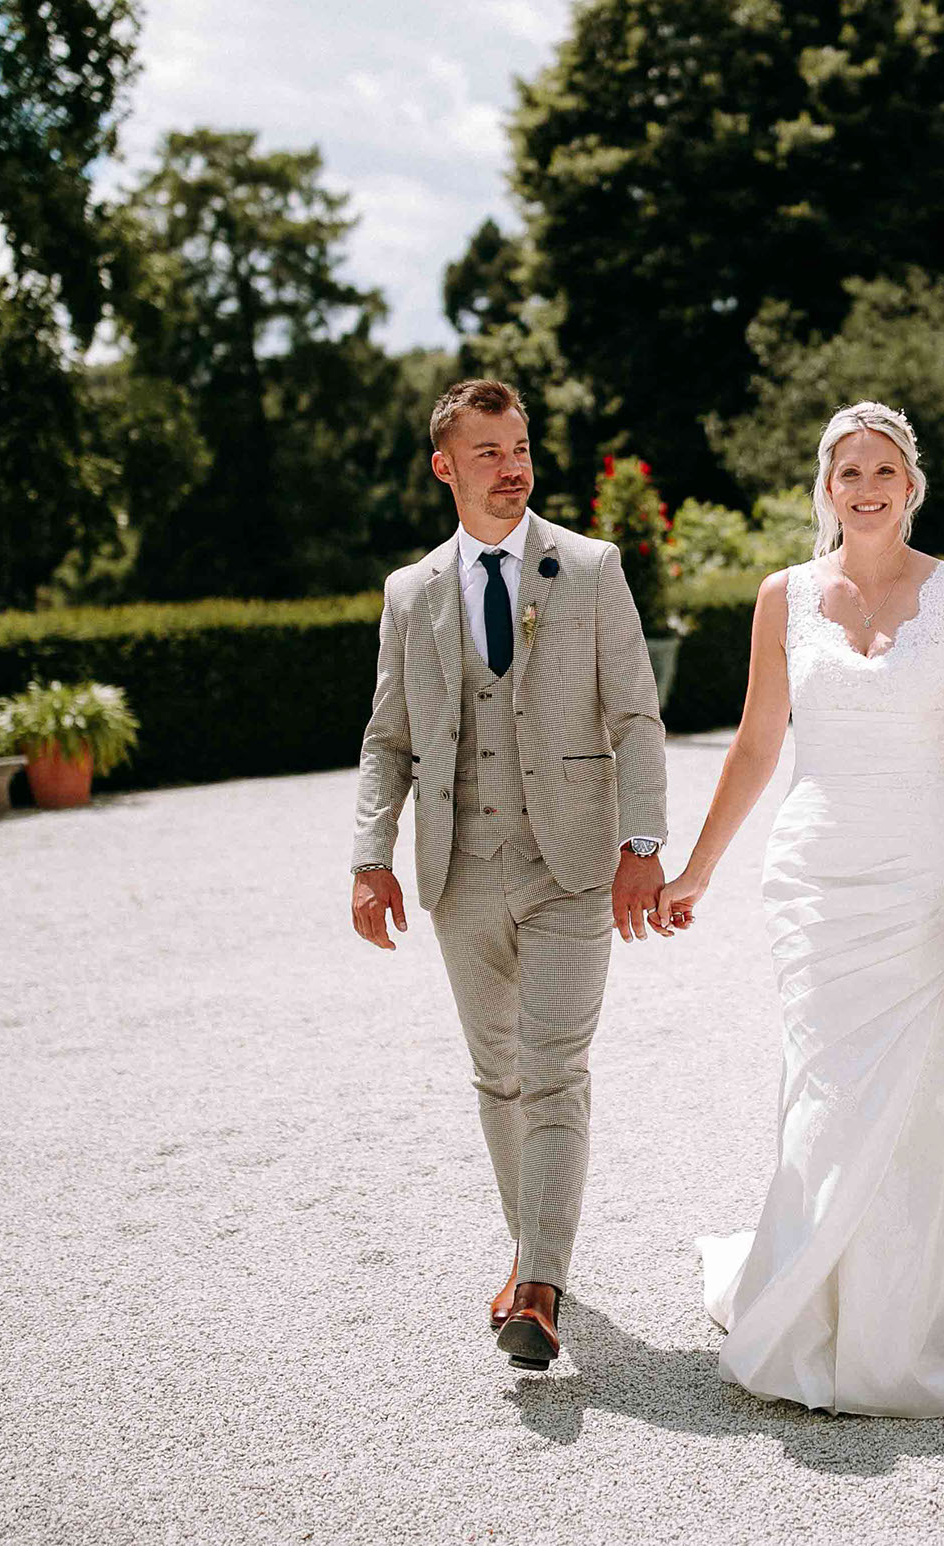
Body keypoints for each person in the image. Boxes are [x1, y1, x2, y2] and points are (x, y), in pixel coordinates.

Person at [655, 401, 944, 1419]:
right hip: (814, 879)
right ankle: (812, 1298)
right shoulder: (782, 596)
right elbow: (758, 743)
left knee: (921, 1088)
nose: (864, 485)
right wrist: (698, 868)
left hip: (925, 876)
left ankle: (912, 1307)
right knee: (825, 1084)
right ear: (826, 486)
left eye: (882, 467)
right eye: (846, 469)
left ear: (911, 483)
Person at [348, 377, 671, 1373]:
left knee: (556, 1065)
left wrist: (643, 844)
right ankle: (531, 1254)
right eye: (486, 450)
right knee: (497, 1073)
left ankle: (537, 1280)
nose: (511, 463)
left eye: (520, 444)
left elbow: (634, 714)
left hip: (572, 861)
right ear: (445, 466)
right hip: (459, 870)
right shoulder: (412, 592)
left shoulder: (590, 565)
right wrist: (371, 857)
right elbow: (386, 737)